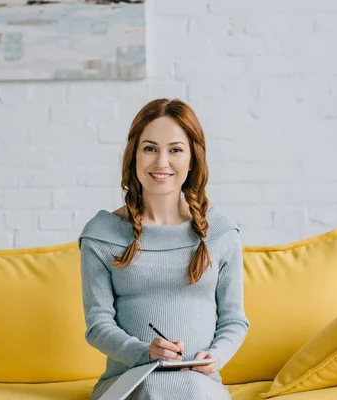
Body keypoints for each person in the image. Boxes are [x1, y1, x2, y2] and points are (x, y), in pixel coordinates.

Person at [78, 98, 250, 399]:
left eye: (175, 149)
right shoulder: (101, 234)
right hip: (129, 383)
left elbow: (234, 319)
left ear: (192, 158)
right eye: (150, 148)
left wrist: (216, 356)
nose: (161, 162)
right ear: (134, 155)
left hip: (200, 384)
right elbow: (98, 325)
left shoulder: (222, 233)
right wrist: (144, 352)